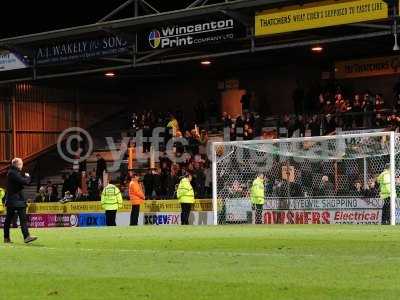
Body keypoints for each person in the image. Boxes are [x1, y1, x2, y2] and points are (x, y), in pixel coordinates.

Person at [4, 158, 37, 244]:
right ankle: (7, 237)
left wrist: (26, 179)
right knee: (10, 219)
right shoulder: (12, 173)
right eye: (21, 164)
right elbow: (25, 182)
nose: (22, 165)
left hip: (17, 200)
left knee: (21, 219)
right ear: (17, 164)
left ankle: (26, 237)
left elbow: (25, 182)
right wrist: (27, 176)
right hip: (14, 200)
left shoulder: (14, 173)